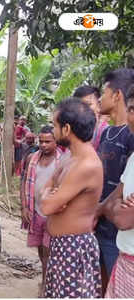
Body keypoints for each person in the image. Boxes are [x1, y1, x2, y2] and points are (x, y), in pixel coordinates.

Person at [41, 98, 103, 298]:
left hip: (74, 248)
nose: (53, 130)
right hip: (62, 245)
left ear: (66, 129)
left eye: (55, 126)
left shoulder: (86, 165)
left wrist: (49, 197)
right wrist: (49, 195)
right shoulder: (69, 157)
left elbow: (48, 206)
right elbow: (46, 189)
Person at [94, 68, 134, 295]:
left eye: (104, 92)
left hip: (119, 233)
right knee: (102, 283)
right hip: (101, 223)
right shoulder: (106, 134)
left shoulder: (130, 136)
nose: (101, 98)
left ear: (117, 95)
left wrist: (108, 210)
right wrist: (99, 211)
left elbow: (123, 204)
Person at [20, 125, 63, 297]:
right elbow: (23, 182)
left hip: (54, 215)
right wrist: (24, 206)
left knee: (48, 251)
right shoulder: (32, 158)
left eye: (48, 141)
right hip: (35, 211)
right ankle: (46, 279)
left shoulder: (63, 161)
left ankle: (46, 284)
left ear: (56, 141)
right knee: (40, 248)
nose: (44, 145)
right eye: (41, 141)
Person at [73, 85, 109, 150]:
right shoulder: (74, 131)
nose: (83, 109)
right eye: (79, 106)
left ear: (99, 105)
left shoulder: (107, 132)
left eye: (88, 104)